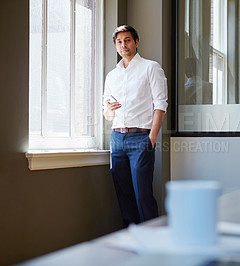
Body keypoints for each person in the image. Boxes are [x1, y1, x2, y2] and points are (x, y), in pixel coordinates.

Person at [103, 25, 168, 226]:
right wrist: (110, 110)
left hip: (141, 138)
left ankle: (154, 239)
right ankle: (131, 238)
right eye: (119, 41)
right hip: (117, 139)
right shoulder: (111, 76)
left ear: (136, 42)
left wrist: (152, 138)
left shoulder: (151, 67)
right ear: (116, 45)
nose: (124, 44)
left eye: (128, 40)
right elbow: (106, 114)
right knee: (124, 196)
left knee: (142, 195)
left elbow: (160, 104)